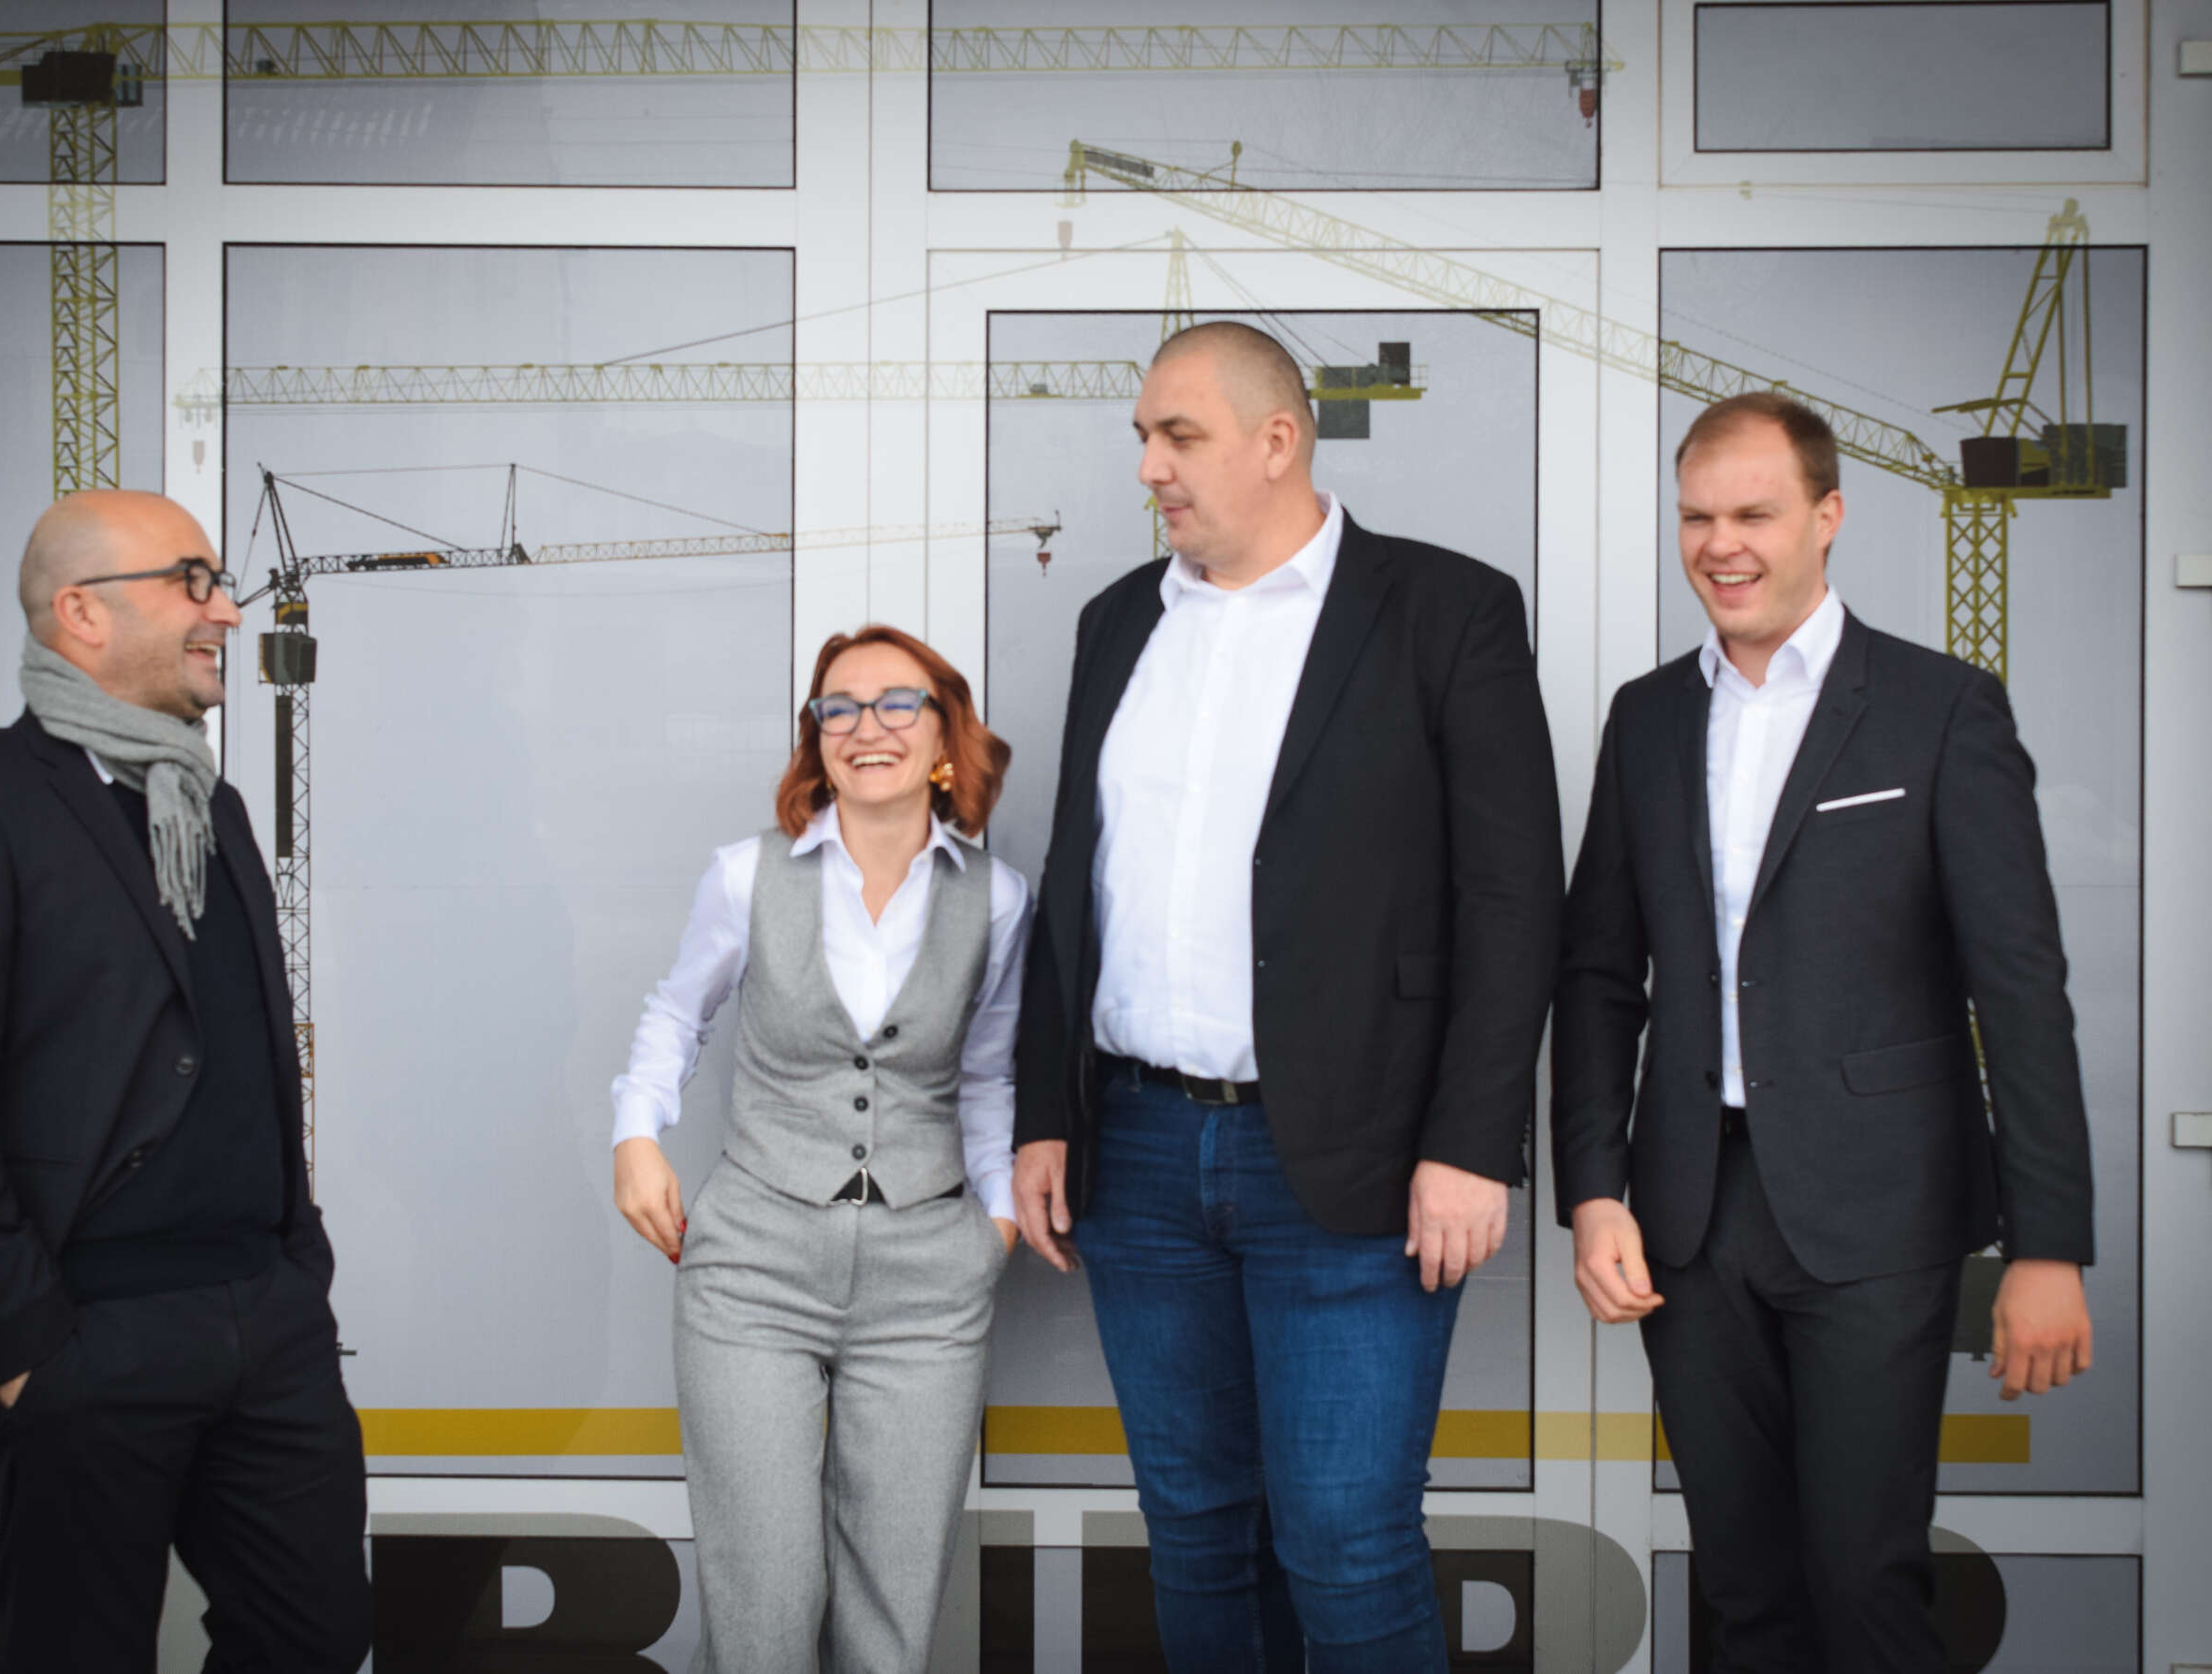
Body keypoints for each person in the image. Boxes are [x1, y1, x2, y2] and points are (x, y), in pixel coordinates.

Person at [1010, 319, 1564, 1668]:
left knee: (1346, 1544)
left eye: (1177, 436)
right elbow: (1078, 882)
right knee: (1195, 1535)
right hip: (1138, 1154)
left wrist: (1471, 1141)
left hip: (1359, 1157)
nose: (1148, 467)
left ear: (1277, 440)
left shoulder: (1446, 609)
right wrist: (1043, 1115)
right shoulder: (1115, 620)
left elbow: (1512, 899)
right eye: (1142, 437)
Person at [1552, 391, 2095, 1671]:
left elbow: (2020, 986)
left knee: (1863, 1588)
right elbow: (1599, 976)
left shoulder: (1940, 707)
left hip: (1879, 1213)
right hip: (1690, 1216)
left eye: (1753, 513)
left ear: (1828, 516)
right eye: (1697, 516)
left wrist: (2047, 1244)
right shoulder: (1646, 717)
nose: (1720, 544)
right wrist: (1594, 1190)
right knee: (1744, 1598)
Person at [0, 489, 371, 1671]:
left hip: (264, 1314)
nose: (228, 611)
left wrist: (297, 1270)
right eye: (194, 581)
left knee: (315, 1637)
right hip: (83, 1329)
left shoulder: (208, 802)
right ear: (82, 612)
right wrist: (24, 1343)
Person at [609, 624, 1030, 1671]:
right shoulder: (746, 875)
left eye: (896, 703)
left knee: (894, 1606)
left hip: (928, 1277)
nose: (863, 725)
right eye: (837, 707)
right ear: (816, 737)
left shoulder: (997, 896)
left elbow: (988, 1073)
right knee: (767, 1596)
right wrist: (636, 1134)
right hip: (755, 1267)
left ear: (945, 734)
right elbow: (677, 1012)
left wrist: (995, 1223)